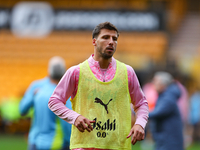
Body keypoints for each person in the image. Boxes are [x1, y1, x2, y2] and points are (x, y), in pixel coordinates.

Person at [48, 22, 149, 150]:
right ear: (94, 42)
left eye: (114, 38)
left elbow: (141, 103)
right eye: (106, 37)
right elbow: (54, 101)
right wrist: (75, 117)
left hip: (117, 146)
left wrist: (140, 124)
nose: (111, 42)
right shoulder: (76, 72)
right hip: (84, 146)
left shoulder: (127, 72)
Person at [19, 56, 72, 150]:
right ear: (64, 71)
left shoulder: (37, 87)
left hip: (35, 141)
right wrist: (69, 141)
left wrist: (34, 97)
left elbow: (22, 110)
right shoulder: (64, 92)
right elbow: (66, 122)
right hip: (56, 144)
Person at [149, 71, 184, 150]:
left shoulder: (169, 97)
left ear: (163, 84)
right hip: (165, 139)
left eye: (155, 81)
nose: (153, 83)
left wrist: (140, 113)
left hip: (169, 141)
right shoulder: (165, 95)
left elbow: (158, 112)